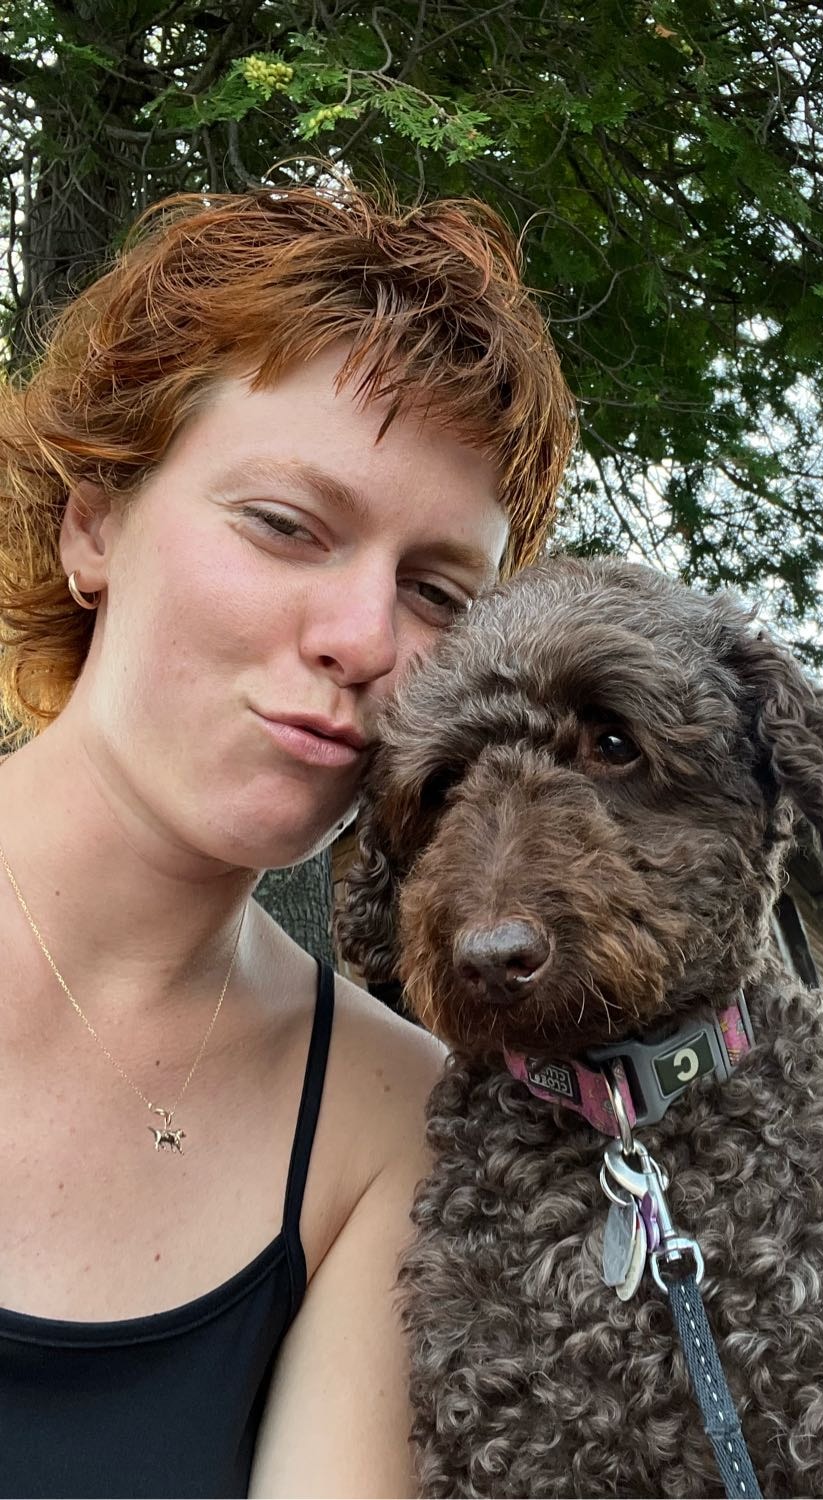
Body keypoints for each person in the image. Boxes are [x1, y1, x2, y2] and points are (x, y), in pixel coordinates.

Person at [0, 177, 575, 1496]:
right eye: (284, 526)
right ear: (95, 521)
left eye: (437, 592)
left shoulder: (397, 1122)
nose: (364, 639)